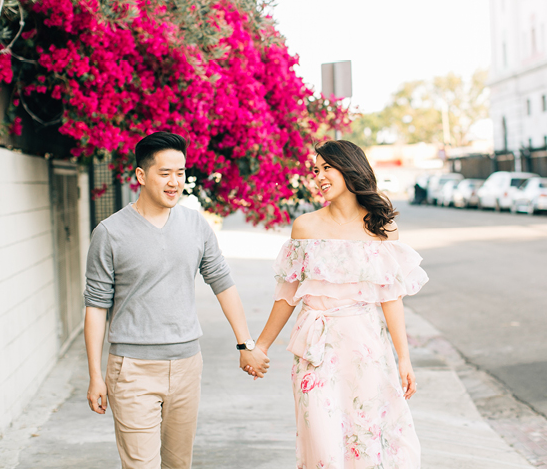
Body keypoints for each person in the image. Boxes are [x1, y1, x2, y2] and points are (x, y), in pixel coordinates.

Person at [83, 132, 270, 469]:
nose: (175, 182)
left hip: (186, 365)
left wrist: (246, 344)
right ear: (141, 175)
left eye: (181, 173)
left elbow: (223, 284)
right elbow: (96, 306)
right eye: (165, 173)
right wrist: (95, 374)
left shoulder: (195, 225)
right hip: (132, 370)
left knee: (177, 465)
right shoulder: (109, 233)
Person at [251, 140, 428, 468]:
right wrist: (260, 346)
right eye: (315, 170)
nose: (318, 176)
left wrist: (404, 359)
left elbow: (391, 299)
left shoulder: (381, 228)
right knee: (321, 438)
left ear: (349, 168)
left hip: (365, 348)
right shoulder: (305, 226)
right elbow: (287, 293)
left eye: (326, 168)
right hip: (315, 351)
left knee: (366, 433)